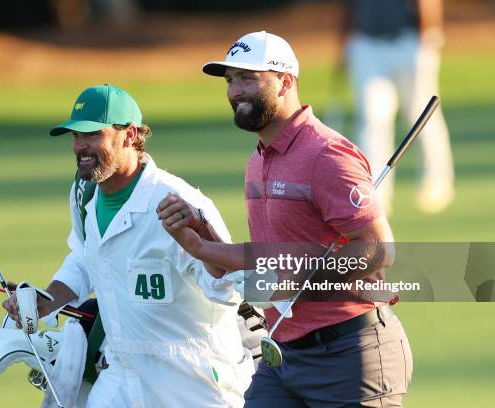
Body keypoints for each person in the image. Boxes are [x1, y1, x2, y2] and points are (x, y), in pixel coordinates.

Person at [159, 31, 413, 407]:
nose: (235, 91)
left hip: (349, 354)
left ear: (286, 82)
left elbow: (377, 250)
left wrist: (300, 273)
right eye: (230, 81)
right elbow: (265, 260)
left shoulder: (327, 156)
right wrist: (202, 242)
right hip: (283, 353)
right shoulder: (259, 160)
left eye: (248, 78)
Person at [1, 84, 254, 407]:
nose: (80, 146)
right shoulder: (85, 194)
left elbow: (225, 287)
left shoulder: (178, 201)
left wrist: (202, 237)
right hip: (121, 372)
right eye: (75, 136)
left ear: (130, 135)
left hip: (191, 380)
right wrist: (46, 300)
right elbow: (84, 256)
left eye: (93, 135)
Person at [341, 0, 454, 213]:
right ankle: (375, 191)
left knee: (422, 116)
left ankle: (437, 181)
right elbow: (349, 6)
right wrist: (344, 41)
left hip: (408, 41)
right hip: (367, 43)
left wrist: (431, 32)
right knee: (372, 118)